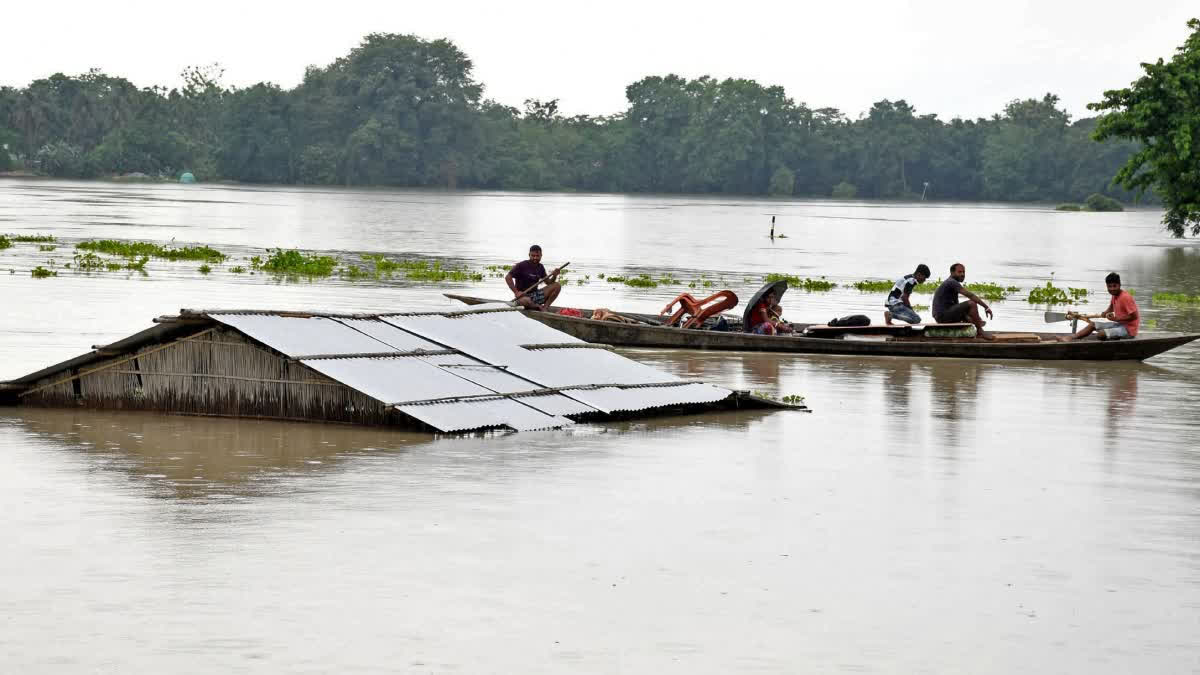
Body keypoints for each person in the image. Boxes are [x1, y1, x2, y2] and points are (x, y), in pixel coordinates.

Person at [1058, 272, 1139, 342]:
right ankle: (1071, 337)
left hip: (1128, 330)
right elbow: (1111, 307)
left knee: (1101, 335)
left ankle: (1114, 341)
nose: (1112, 289)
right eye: (1109, 286)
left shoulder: (1125, 297)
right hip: (1119, 325)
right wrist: (1105, 313)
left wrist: (1116, 318)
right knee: (1092, 325)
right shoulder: (1115, 295)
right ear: (1107, 286)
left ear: (1120, 285)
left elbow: (1134, 316)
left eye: (1115, 286)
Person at [931, 263, 994, 338]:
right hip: (942, 316)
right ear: (952, 272)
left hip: (943, 315)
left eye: (964, 272)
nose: (962, 274)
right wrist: (986, 307)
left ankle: (975, 323)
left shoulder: (952, 283)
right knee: (972, 303)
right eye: (959, 272)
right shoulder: (951, 282)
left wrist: (968, 317)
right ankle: (980, 330)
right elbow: (970, 295)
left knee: (970, 313)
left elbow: (956, 306)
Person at [505, 244, 562, 311]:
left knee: (557, 285)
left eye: (537, 256)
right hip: (522, 297)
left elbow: (549, 283)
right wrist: (516, 292)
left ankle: (545, 308)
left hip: (535, 296)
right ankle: (537, 307)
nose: (535, 258)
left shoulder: (540, 267)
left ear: (541, 256)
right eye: (533, 256)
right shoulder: (522, 265)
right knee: (525, 301)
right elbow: (508, 277)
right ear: (529, 255)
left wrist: (554, 276)